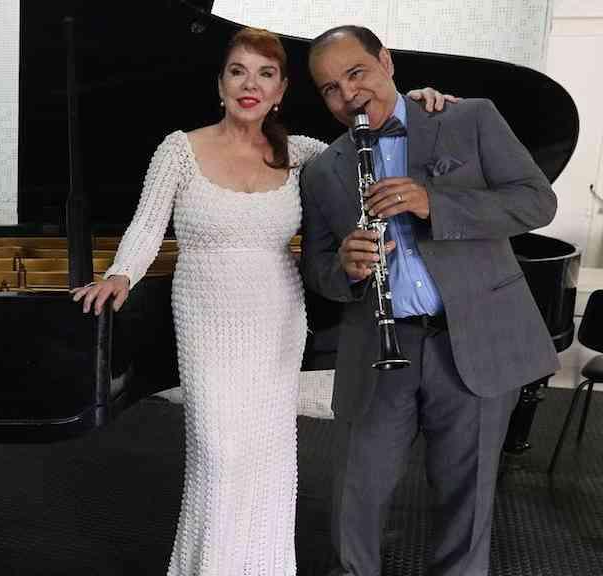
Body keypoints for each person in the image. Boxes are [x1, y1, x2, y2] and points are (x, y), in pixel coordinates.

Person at [72, 27, 450, 576]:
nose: (250, 85)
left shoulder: (302, 154)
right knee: (219, 453)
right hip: (207, 317)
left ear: (280, 91)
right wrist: (121, 274)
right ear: (220, 84)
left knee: (270, 456)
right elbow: (146, 226)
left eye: (265, 74)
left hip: (277, 316)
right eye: (238, 72)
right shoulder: (180, 149)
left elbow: (375, 140)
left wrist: (415, 100)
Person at [300, 26, 558, 576]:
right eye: (329, 89)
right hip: (378, 348)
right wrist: (344, 268)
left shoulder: (468, 118)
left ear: (386, 61)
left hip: (473, 341)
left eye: (356, 73)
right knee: (355, 500)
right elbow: (318, 270)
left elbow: (537, 202)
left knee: (468, 504)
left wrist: (433, 202)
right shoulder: (323, 170)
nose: (347, 94)